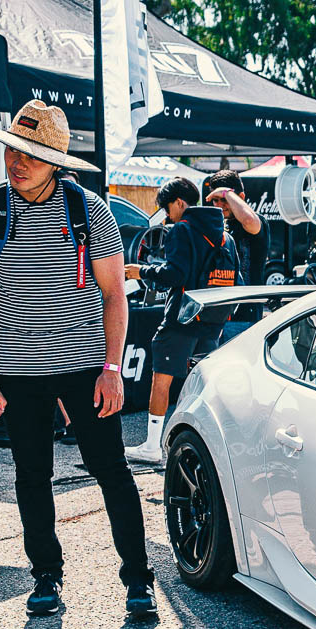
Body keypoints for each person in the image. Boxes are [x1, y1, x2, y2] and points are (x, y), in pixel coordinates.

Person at [0, 99, 156, 622]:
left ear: (58, 161)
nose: (17, 163)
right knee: (31, 475)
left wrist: (113, 369)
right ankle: (45, 575)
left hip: (85, 367)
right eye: (12, 150)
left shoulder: (89, 210)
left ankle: (138, 578)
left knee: (111, 470)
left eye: (32, 155)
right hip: (15, 370)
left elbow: (116, 295)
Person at [124, 176, 240, 465]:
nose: (166, 216)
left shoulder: (182, 230)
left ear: (179, 203)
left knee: (161, 379)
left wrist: (142, 271)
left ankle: (152, 446)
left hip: (182, 318)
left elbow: (174, 274)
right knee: (202, 385)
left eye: (167, 208)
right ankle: (208, 444)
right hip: (214, 319)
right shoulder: (226, 235)